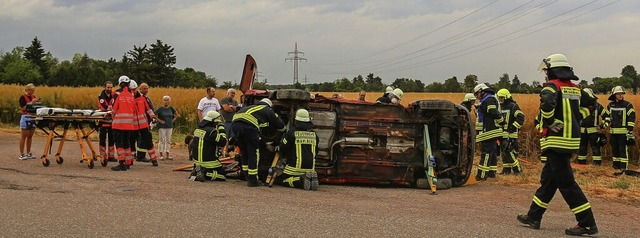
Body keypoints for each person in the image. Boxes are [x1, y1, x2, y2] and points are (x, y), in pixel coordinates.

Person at [518, 53, 598, 236]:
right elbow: (593, 104)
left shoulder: (552, 87)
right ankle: (533, 216)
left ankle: (587, 223)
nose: (546, 74)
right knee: (548, 181)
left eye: (547, 70)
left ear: (553, 70)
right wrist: (579, 116)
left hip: (556, 143)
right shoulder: (577, 89)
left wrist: (550, 121)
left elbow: (546, 103)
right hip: (571, 142)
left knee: (567, 184)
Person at [231, 98, 285, 187]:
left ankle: (246, 176)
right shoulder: (267, 109)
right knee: (253, 153)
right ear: (269, 105)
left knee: (244, 152)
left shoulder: (252, 108)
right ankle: (253, 181)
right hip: (248, 126)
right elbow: (280, 124)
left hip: (235, 125)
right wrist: (282, 131)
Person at [275, 109, 319, 190]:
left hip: (294, 169)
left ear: (297, 120)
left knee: (283, 180)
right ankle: (308, 178)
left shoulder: (292, 133)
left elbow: (283, 148)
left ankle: (301, 180)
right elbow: (316, 151)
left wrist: (278, 148)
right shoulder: (314, 135)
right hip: (310, 169)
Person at [473, 83, 503, 180]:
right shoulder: (486, 100)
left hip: (489, 130)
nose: (477, 96)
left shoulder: (489, 99)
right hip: (489, 130)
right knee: (492, 152)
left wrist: (502, 120)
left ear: (482, 91)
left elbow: (492, 111)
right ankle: (491, 173)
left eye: (477, 94)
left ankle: (481, 175)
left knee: (486, 153)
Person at [602, 85, 635, 171]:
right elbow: (608, 118)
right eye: (618, 94)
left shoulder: (628, 105)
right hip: (613, 133)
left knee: (622, 150)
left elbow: (631, 118)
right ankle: (616, 167)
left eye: (622, 94)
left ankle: (624, 168)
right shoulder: (610, 105)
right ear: (614, 95)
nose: (621, 95)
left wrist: (630, 131)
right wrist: (603, 126)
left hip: (623, 133)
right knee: (615, 150)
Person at [190, 111, 227, 182]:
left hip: (197, 163)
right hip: (209, 163)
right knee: (222, 176)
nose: (216, 124)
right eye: (217, 123)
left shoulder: (198, 130)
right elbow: (223, 142)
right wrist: (221, 128)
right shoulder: (211, 132)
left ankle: (198, 171)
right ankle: (205, 173)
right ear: (213, 121)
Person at [111, 76, 137, 171]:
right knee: (127, 143)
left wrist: (112, 118)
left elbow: (113, 109)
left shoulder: (117, 94)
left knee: (119, 143)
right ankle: (128, 162)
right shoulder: (131, 95)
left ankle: (121, 163)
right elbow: (134, 109)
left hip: (118, 123)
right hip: (129, 124)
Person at [497, 88, 524, 175]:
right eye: (499, 98)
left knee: (508, 152)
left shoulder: (513, 106)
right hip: (502, 134)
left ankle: (517, 170)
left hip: (511, 134)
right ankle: (506, 170)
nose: (500, 100)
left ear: (507, 97)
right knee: (504, 153)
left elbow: (521, 117)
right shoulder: (499, 107)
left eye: (502, 98)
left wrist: (513, 127)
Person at [131, 81, 159, 166]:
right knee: (132, 142)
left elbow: (148, 109)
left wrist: (153, 117)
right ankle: (131, 160)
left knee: (148, 141)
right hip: (133, 125)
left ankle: (154, 159)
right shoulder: (129, 99)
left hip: (143, 124)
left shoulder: (142, 98)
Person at [577, 88, 605, 165]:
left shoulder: (598, 106)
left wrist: (602, 126)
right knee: (581, 148)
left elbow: (607, 116)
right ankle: (581, 164)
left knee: (595, 148)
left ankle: (597, 165)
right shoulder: (578, 106)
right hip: (582, 131)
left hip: (593, 132)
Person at [135, 83, 155, 161]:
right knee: (142, 139)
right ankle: (140, 156)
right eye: (144, 89)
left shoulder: (146, 97)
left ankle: (141, 155)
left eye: (147, 88)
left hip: (147, 121)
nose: (146, 90)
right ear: (140, 89)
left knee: (144, 139)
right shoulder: (140, 98)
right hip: (142, 122)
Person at [18, 83, 39, 160]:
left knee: (30, 136)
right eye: (31, 90)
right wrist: (31, 103)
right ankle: (22, 154)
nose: (33, 92)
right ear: (27, 89)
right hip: (26, 116)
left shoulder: (34, 97)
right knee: (24, 136)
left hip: (33, 117)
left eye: (34, 90)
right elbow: (23, 108)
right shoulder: (22, 97)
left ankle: (28, 152)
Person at [155, 95, 179, 160]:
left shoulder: (171, 108)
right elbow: (154, 114)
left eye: (167, 100)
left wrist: (174, 119)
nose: (166, 101)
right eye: (165, 100)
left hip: (169, 126)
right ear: (163, 101)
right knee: (161, 140)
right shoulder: (160, 109)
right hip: (162, 126)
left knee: (168, 140)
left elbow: (176, 113)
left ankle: (168, 154)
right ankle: (161, 154)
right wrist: (159, 120)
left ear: (169, 101)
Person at [98, 81, 117, 162]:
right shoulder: (101, 96)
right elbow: (103, 107)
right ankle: (103, 156)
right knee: (102, 138)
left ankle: (111, 156)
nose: (109, 89)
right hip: (103, 120)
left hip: (111, 120)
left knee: (112, 138)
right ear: (104, 87)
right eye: (108, 87)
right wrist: (111, 109)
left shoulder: (113, 96)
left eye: (111, 87)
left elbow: (115, 105)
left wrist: (111, 109)